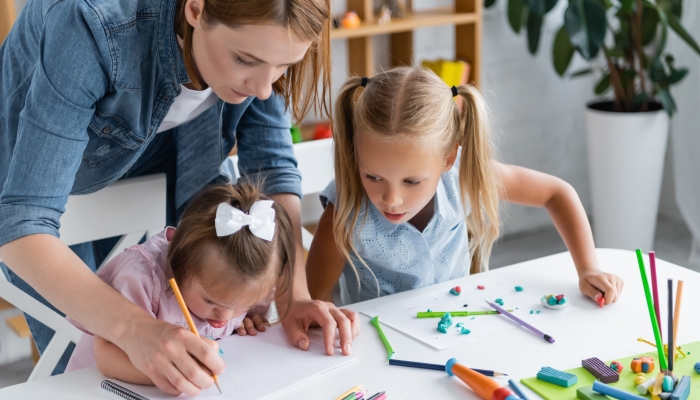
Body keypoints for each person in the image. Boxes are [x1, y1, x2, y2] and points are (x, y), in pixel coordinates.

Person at [0, 0, 358, 395]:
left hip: (160, 153)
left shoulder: (264, 43)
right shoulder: (90, 22)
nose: (262, 89)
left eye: (284, 67)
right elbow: (23, 220)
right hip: (33, 177)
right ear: (196, 9)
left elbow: (272, 170)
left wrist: (294, 295)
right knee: (86, 372)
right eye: (245, 59)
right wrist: (136, 330)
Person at [306, 67, 625, 305]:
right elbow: (316, 299)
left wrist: (587, 268)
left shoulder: (464, 177)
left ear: (447, 159)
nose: (391, 198)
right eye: (373, 177)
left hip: (459, 327)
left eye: (412, 181)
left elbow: (556, 193)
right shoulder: (346, 205)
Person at [66, 183, 294, 382]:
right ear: (179, 262)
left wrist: (249, 319)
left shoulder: (252, 282)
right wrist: (171, 374)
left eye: (241, 306)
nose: (225, 317)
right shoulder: (141, 279)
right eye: (210, 300)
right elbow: (106, 356)